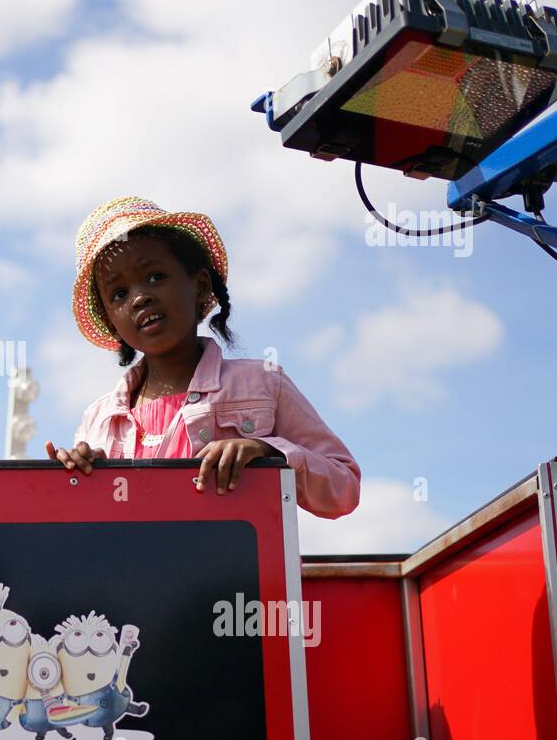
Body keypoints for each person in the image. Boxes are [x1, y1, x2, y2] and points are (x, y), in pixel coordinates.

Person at [45, 196, 359, 519]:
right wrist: (75, 479)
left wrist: (269, 452)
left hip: (231, 571)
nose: (140, 297)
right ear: (112, 321)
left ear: (200, 285)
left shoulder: (264, 382)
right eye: (120, 294)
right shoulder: (96, 421)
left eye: (155, 276)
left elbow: (344, 487)